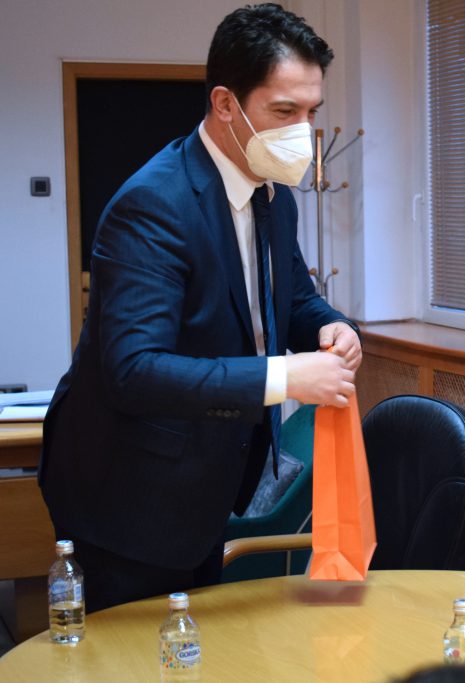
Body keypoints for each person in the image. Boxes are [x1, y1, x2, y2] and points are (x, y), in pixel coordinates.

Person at [39, 3, 360, 612]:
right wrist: (286, 376)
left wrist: (334, 328)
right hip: (128, 493)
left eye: (312, 112)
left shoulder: (274, 196)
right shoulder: (153, 205)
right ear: (224, 104)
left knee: (197, 647)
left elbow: (293, 299)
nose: (303, 131)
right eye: (284, 112)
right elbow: (134, 370)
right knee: (134, 654)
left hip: (210, 479)